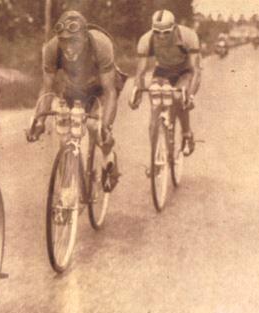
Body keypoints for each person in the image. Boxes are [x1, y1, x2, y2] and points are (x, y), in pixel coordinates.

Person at [27, 10, 125, 194]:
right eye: (64, 41)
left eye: (74, 41)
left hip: (101, 88)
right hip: (75, 88)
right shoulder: (52, 48)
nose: (68, 47)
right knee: (64, 131)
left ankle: (108, 159)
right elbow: (47, 89)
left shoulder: (101, 45)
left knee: (96, 128)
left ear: (85, 37)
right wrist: (39, 119)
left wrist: (106, 126)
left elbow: (109, 91)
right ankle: (67, 188)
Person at [129, 9, 202, 156]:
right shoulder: (146, 39)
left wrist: (190, 96)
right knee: (154, 112)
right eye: (157, 32)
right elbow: (140, 72)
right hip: (163, 71)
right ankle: (155, 156)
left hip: (184, 72)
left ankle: (187, 133)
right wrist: (135, 92)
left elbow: (196, 71)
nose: (161, 36)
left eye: (166, 32)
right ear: (152, 29)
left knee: (178, 98)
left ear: (174, 28)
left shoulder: (188, 36)